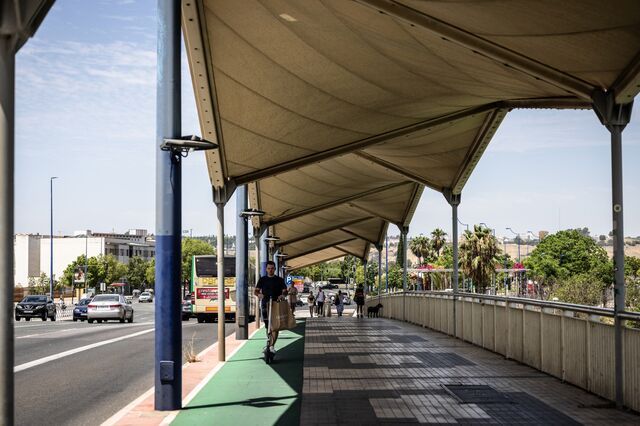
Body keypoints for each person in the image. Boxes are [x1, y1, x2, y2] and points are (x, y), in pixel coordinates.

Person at [254, 261, 288, 355]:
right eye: (268, 268)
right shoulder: (262, 279)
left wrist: (282, 295)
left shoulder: (279, 280)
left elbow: (285, 291)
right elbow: (256, 291)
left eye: (272, 268)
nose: (270, 270)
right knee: (268, 326)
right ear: (266, 269)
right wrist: (259, 294)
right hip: (265, 304)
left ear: (275, 269)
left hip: (276, 304)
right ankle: (269, 342)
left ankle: (272, 346)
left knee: (275, 326)